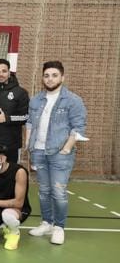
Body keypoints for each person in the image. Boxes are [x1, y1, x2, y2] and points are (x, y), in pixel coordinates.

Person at [26, 61, 87, 245]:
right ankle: (47, 223)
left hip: (60, 153)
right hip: (38, 151)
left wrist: (67, 148)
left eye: (54, 75)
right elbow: (29, 123)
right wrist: (29, 147)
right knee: (44, 191)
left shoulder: (73, 100)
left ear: (62, 77)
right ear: (42, 78)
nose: (50, 79)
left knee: (58, 191)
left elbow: (79, 127)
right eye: (46, 75)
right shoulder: (36, 99)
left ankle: (59, 227)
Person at [0, 58, 29, 162]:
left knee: (10, 175)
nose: (0, 74)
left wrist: (7, 118)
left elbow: (26, 117)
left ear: (9, 72)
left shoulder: (20, 92)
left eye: (4, 71)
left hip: (11, 143)